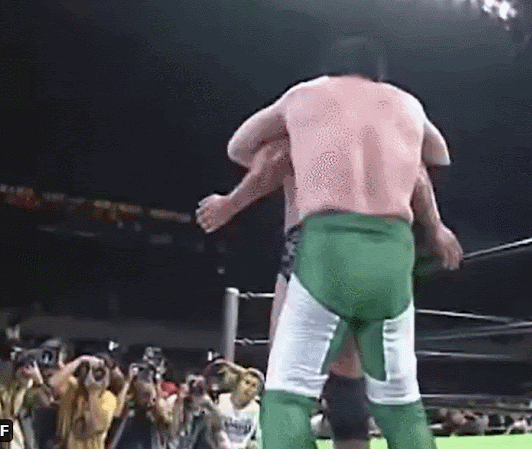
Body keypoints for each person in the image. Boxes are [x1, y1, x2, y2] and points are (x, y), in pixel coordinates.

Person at [197, 36, 463, 449]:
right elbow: (437, 157)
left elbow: (239, 147)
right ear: (379, 75)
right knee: (379, 390)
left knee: (287, 389)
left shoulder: (305, 95)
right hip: (391, 248)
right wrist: (436, 226)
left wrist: (243, 195)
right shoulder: (407, 104)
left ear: (328, 69)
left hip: (319, 243)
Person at [0, 341, 47, 449]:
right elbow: (4, 423)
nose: (20, 367)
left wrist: (39, 381)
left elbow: (46, 403)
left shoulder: (16, 385)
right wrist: (22, 388)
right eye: (15, 362)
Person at [48, 355, 118, 449]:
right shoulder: (74, 388)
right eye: (93, 371)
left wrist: (92, 392)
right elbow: (53, 383)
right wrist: (80, 360)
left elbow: (95, 426)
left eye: (102, 371)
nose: (98, 375)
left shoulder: (108, 398)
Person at [217, 368, 263, 449]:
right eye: (247, 382)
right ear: (238, 383)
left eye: (253, 385)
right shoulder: (221, 400)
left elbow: (259, 439)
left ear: (256, 392)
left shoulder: (257, 410)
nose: (249, 388)